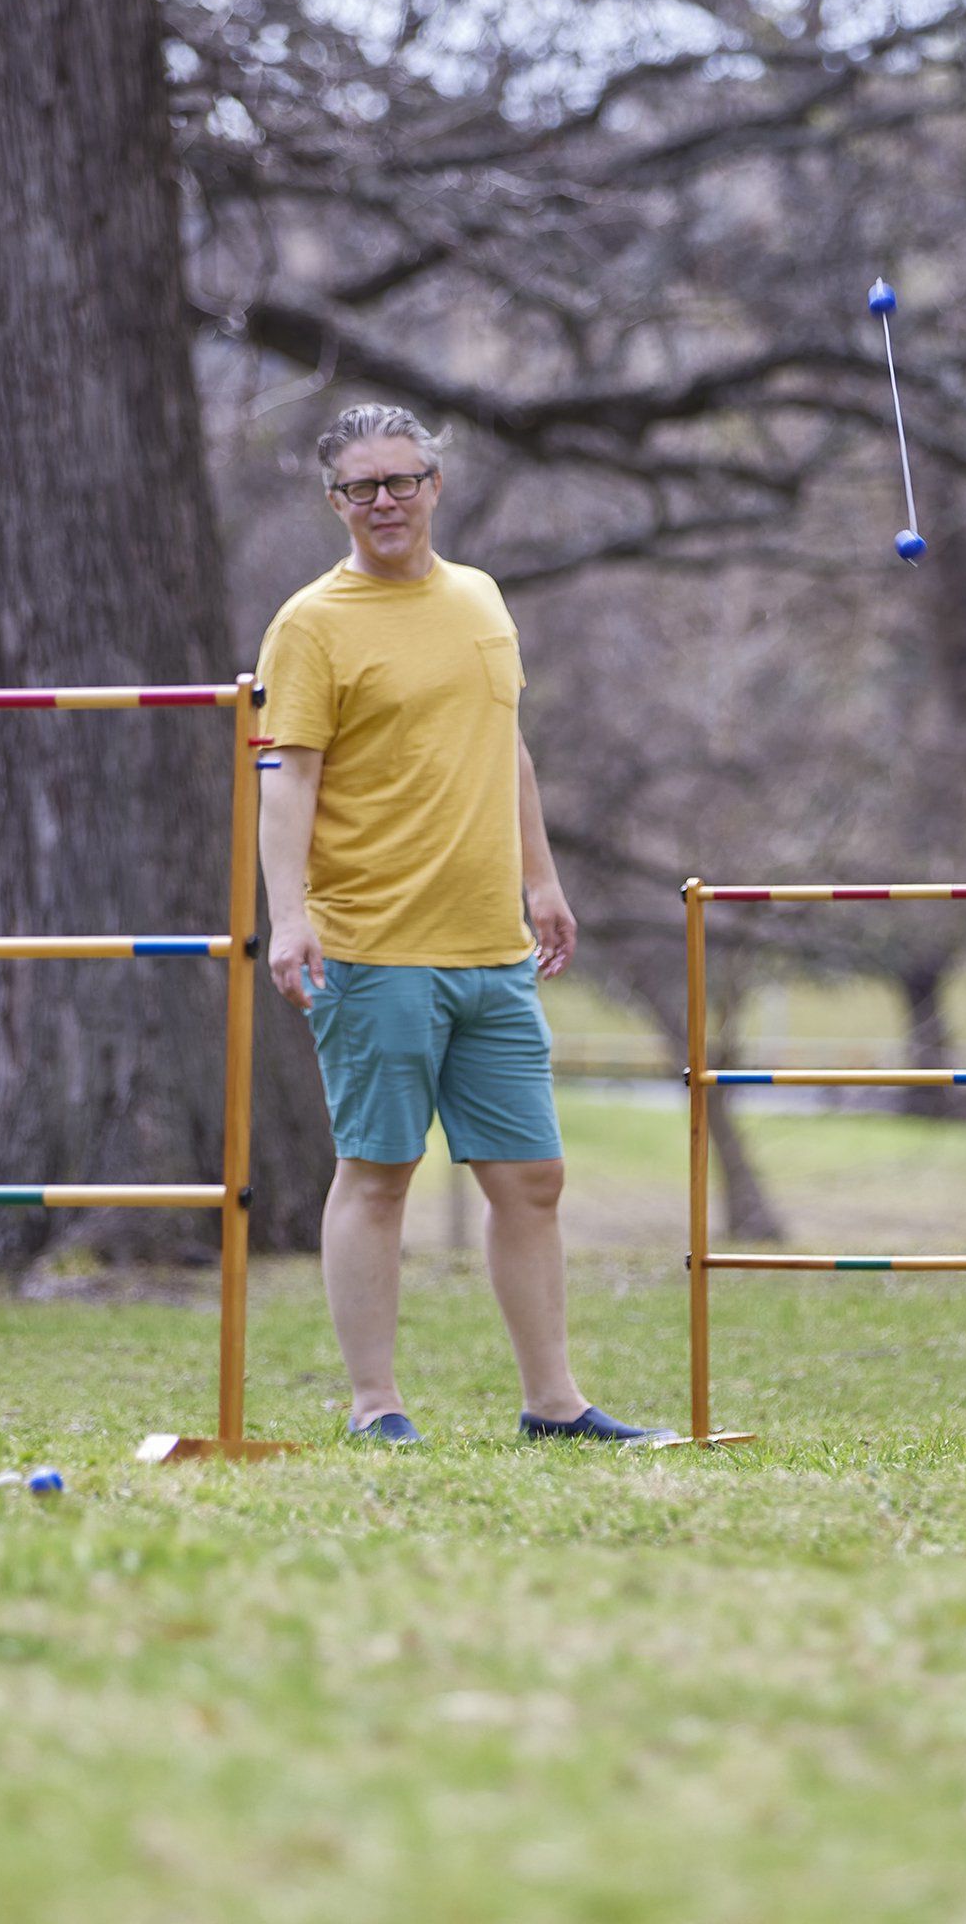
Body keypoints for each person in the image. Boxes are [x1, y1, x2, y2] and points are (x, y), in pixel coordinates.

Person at [256, 403, 672, 1447]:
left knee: (530, 1177)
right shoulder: (310, 621)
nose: (384, 501)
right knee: (378, 1173)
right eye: (362, 487)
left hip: (490, 946)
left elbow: (507, 746)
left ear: (435, 485)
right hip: (371, 943)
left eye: (401, 480)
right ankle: (373, 1405)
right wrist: (289, 917)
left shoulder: (482, 598)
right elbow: (286, 777)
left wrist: (542, 879)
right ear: (335, 502)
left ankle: (554, 1403)